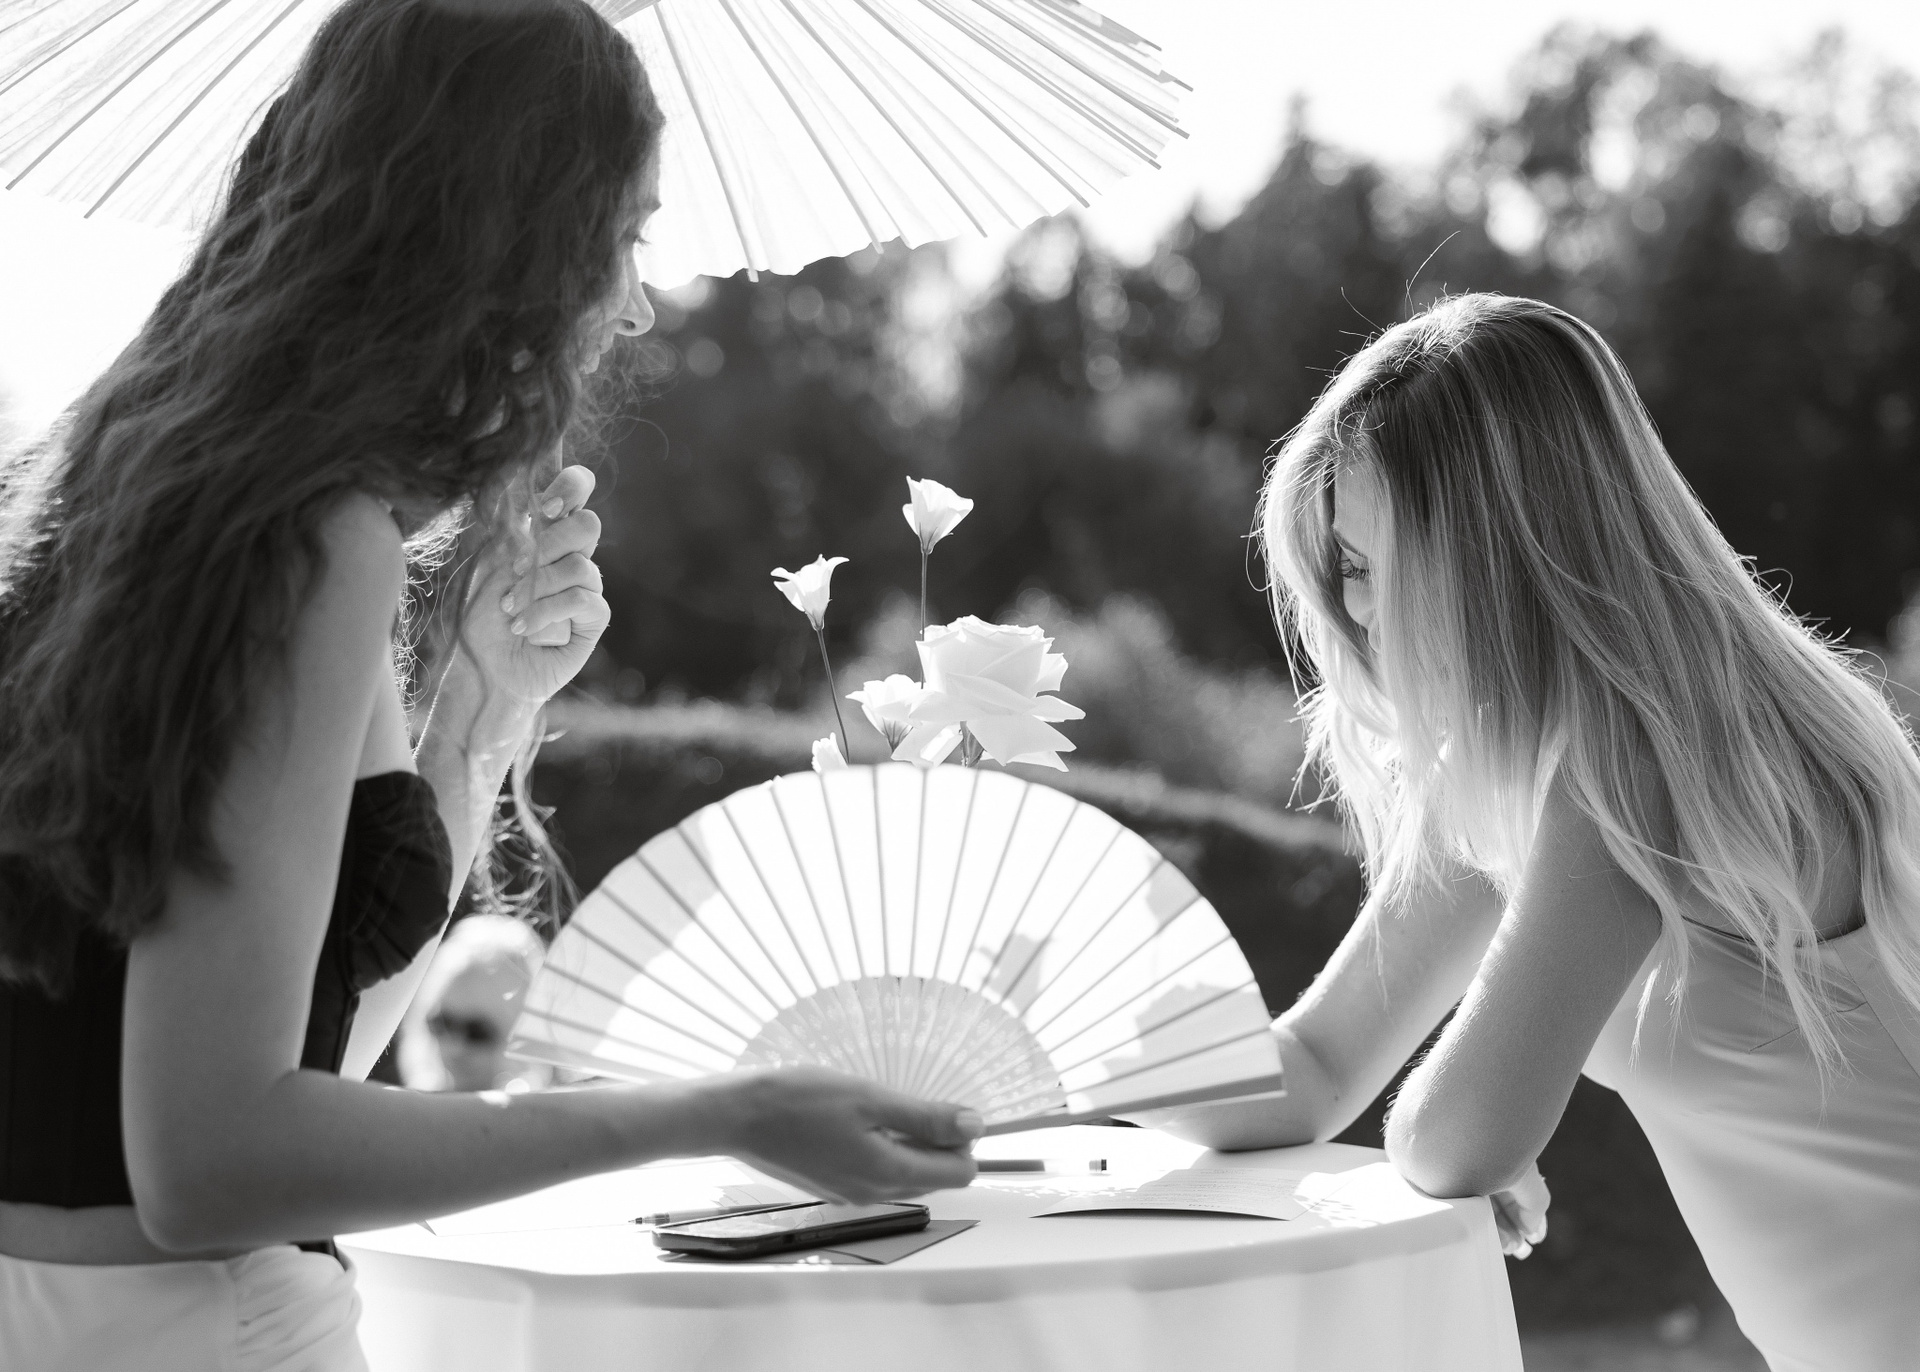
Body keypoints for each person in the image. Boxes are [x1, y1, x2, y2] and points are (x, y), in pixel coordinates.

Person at [0, 3, 978, 1368]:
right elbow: (212, 1163)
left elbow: (307, 1061)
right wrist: (720, 1111)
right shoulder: (307, 543)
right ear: (511, 241)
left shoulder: (113, 491)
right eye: (624, 237)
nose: (633, 302)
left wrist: (476, 719)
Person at [1137, 293, 1920, 1371]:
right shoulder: (1532, 769)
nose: (1356, 613)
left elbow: (1456, 1139)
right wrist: (1097, 1041)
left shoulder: (1642, 759)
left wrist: (1471, 1124)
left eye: (1374, 563)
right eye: (1346, 568)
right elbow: (1316, 1064)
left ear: (1491, 555)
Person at [397, 914, 551, 1093]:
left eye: (477, 1032)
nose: (454, 1047)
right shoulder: (410, 1103)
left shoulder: (548, 1108)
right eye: (442, 1022)